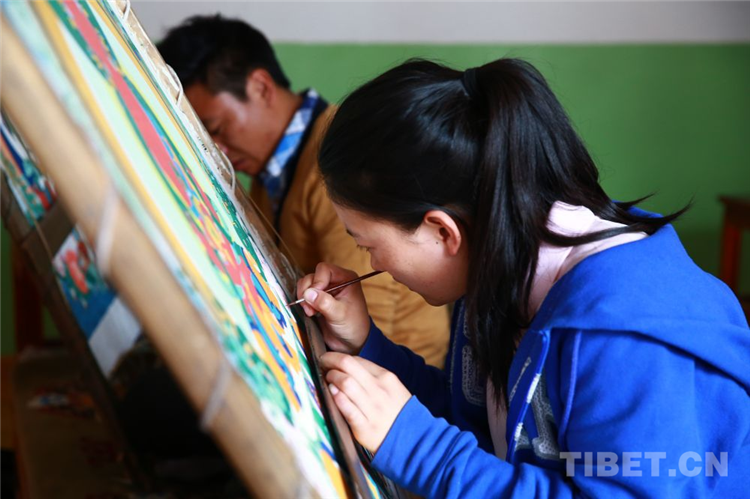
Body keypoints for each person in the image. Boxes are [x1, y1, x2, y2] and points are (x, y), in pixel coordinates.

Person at [296, 58, 750, 497]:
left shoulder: (624, 336)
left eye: (367, 245)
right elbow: (488, 429)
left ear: (442, 232)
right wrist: (364, 343)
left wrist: (416, 449)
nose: (375, 264)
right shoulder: (498, 265)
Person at [157, 16, 450, 366]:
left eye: (217, 128)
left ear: (261, 87)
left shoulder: (342, 168)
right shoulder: (269, 177)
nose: (216, 149)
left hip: (398, 374)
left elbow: (372, 321)